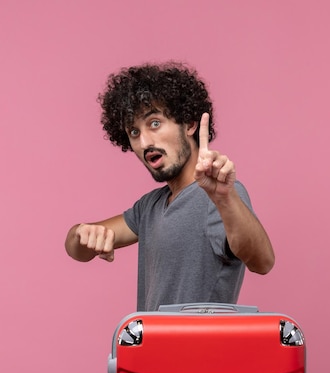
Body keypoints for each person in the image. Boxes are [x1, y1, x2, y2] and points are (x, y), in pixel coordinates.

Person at [65, 62, 275, 311]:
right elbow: (76, 248)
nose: (144, 142)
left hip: (197, 350)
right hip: (150, 349)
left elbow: (262, 262)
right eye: (134, 132)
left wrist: (225, 198)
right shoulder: (149, 206)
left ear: (189, 124)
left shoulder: (220, 194)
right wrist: (82, 234)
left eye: (154, 123)